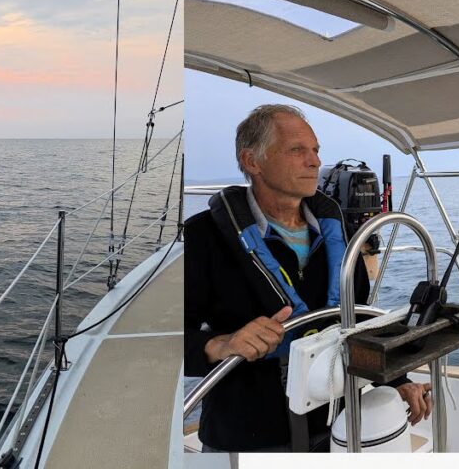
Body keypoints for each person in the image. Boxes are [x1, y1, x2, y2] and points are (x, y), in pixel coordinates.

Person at [184, 104, 431, 453]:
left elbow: (357, 319)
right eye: (297, 150)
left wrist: (398, 378)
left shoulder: (340, 233)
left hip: (337, 425)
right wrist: (221, 344)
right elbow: (170, 341)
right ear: (253, 161)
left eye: (315, 150)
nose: (314, 161)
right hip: (249, 436)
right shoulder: (203, 238)